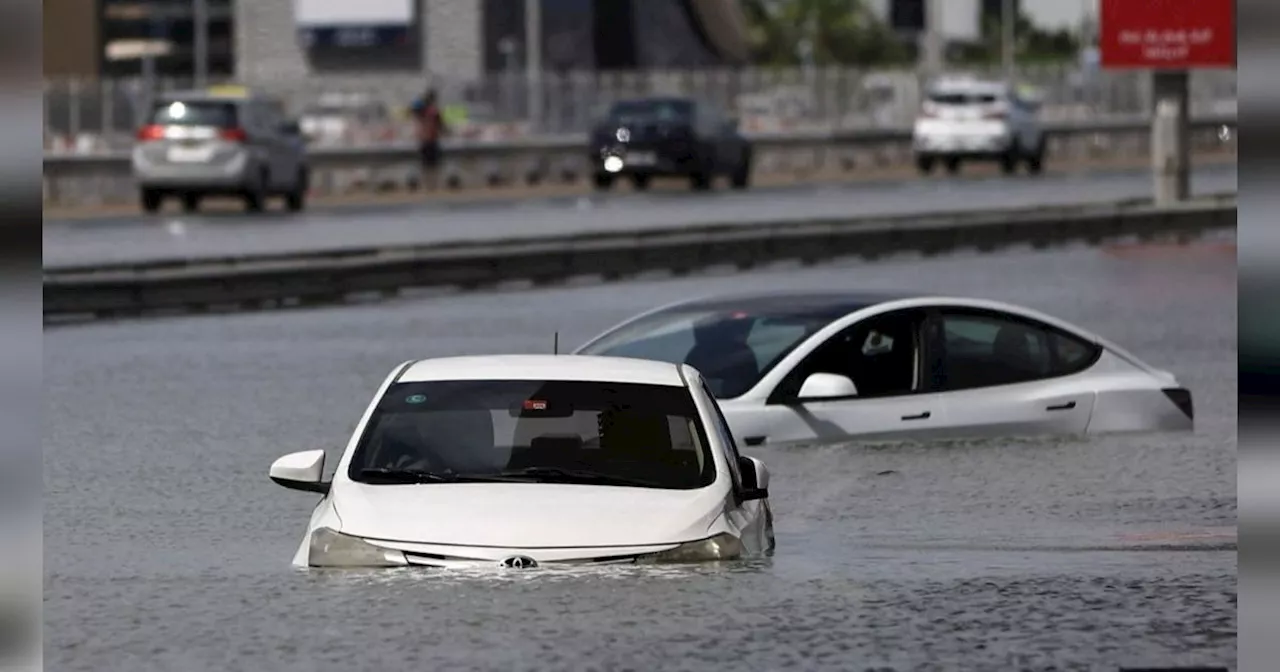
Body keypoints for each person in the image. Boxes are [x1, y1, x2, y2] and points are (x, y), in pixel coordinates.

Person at [410, 88, 448, 191]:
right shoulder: (434, 112)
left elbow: (412, 112)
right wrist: (446, 132)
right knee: (433, 165)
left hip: (424, 140)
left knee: (425, 165)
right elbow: (442, 126)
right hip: (432, 140)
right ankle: (433, 186)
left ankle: (427, 186)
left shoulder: (421, 111)